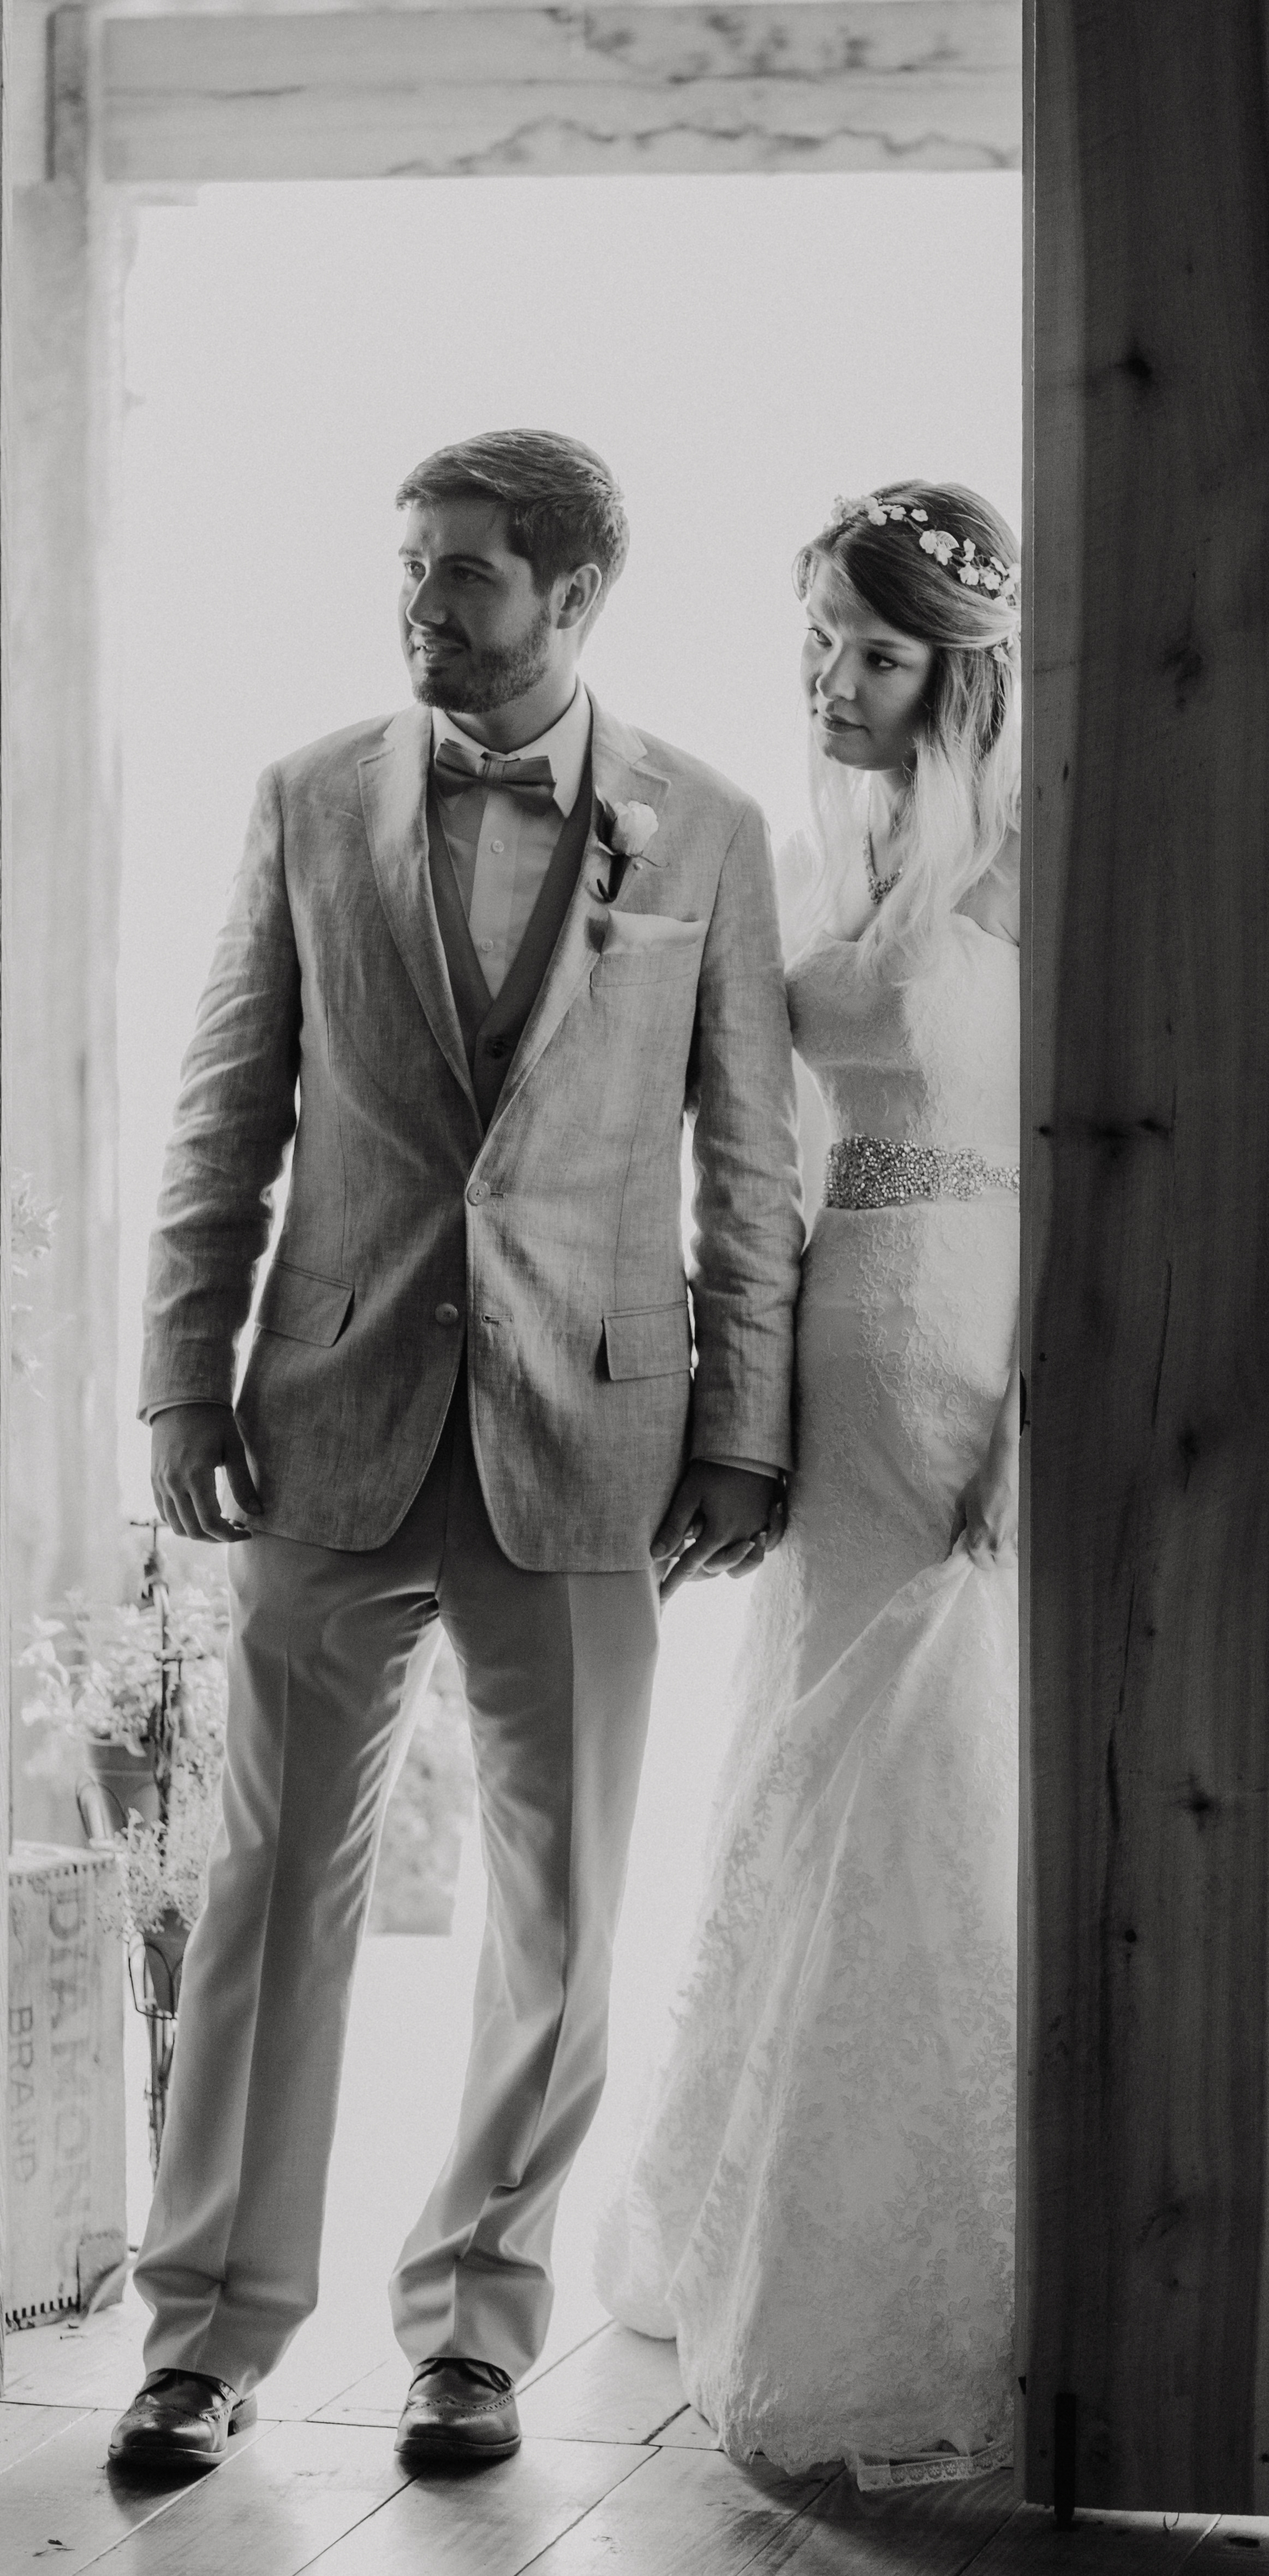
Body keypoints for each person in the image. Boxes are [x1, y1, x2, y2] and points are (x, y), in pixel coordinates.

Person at [109, 430, 802, 2474]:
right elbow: (223, 1113)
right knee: (261, 1896)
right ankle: (204, 2335)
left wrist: (744, 1432)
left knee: (563, 1908)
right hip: (323, 1418)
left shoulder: (714, 829)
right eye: (412, 565)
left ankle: (476, 2329)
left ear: (575, 596)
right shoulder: (310, 797)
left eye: (468, 575)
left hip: (590, 1436)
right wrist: (177, 1378)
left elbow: (750, 1160)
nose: (420, 603)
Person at [595, 482, 1022, 2487]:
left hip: (957, 1361)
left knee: (927, 1775)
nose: (833, 684)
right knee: (805, 1758)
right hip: (828, 1346)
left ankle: (934, 2277)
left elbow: (1102, 1162)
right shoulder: (823, 852)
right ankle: (777, 2214)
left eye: (875, 653)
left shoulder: (1032, 860)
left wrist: (1034, 1427)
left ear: (961, 672)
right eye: (819, 646)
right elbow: (746, 1125)